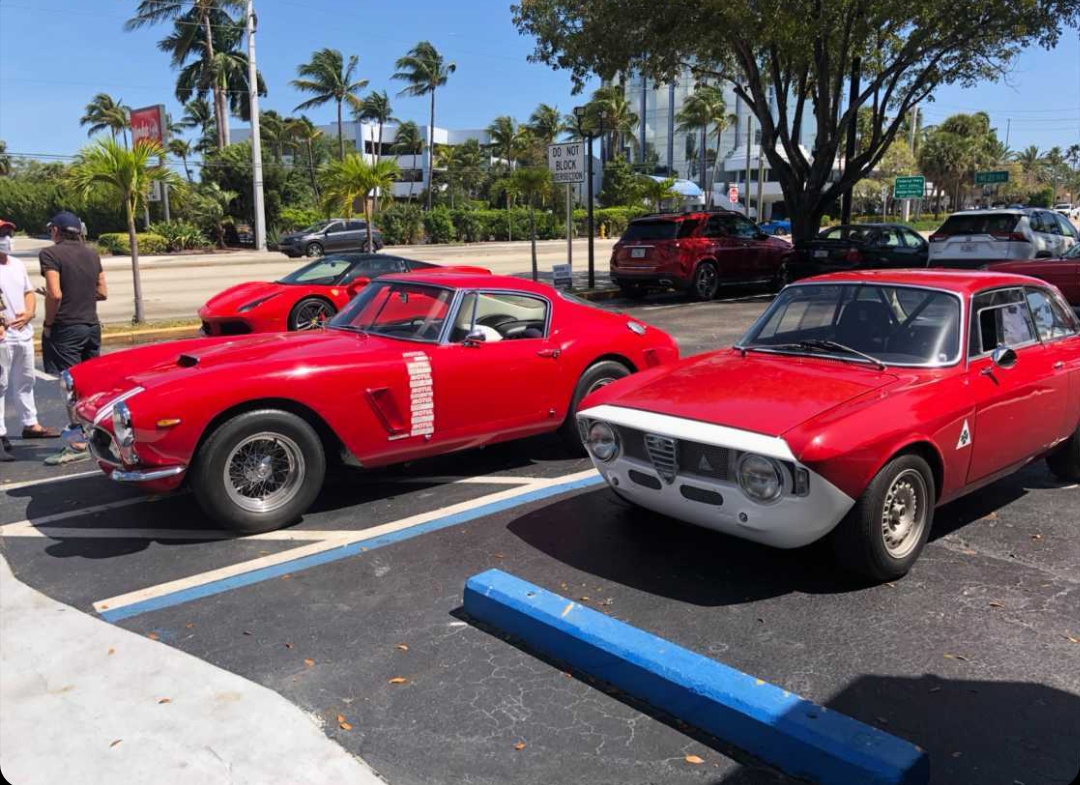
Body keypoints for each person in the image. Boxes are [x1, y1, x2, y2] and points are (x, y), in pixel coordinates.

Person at [39, 211, 107, 465]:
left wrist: (48, 323)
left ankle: (78, 442)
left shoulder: (50, 254)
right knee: (90, 383)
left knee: (70, 384)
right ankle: (98, 435)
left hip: (66, 327)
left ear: (56, 231)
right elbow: (102, 291)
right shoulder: (92, 253)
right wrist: (78, 293)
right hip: (91, 325)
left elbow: (54, 294)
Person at [1, 220, 60, 462]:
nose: (6, 238)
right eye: (2, 234)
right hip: (3, 337)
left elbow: (28, 292)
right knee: (0, 385)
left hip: (22, 333)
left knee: (25, 380)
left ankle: (30, 423)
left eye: (7, 233)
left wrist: (29, 312)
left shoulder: (16, 264)